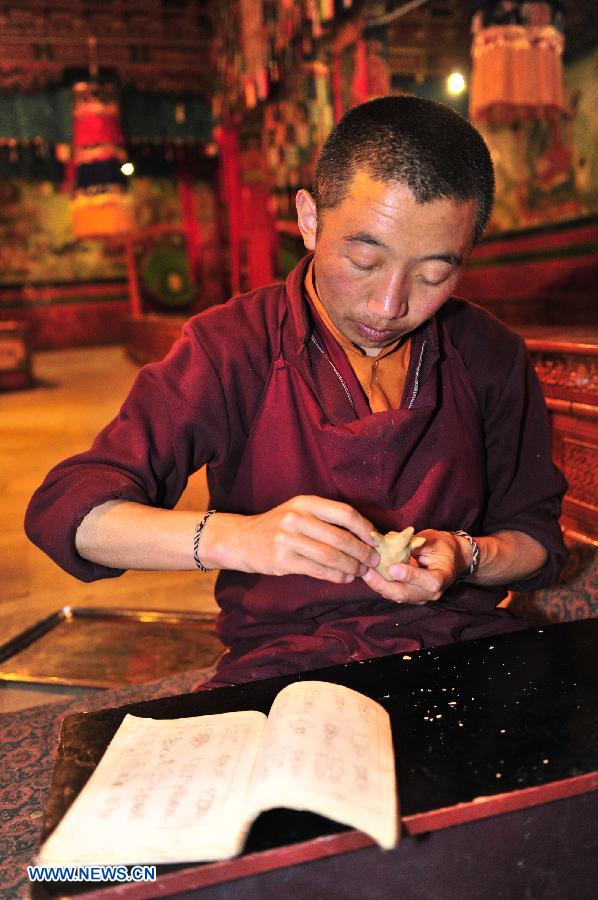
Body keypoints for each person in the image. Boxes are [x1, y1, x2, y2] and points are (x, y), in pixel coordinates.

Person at [25, 96, 567, 687]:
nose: (391, 305)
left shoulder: (489, 353)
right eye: (363, 260)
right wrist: (241, 538)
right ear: (309, 220)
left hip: (462, 650)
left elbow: (536, 543)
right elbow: (70, 515)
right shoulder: (231, 347)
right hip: (286, 671)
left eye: (434, 274)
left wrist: (466, 557)